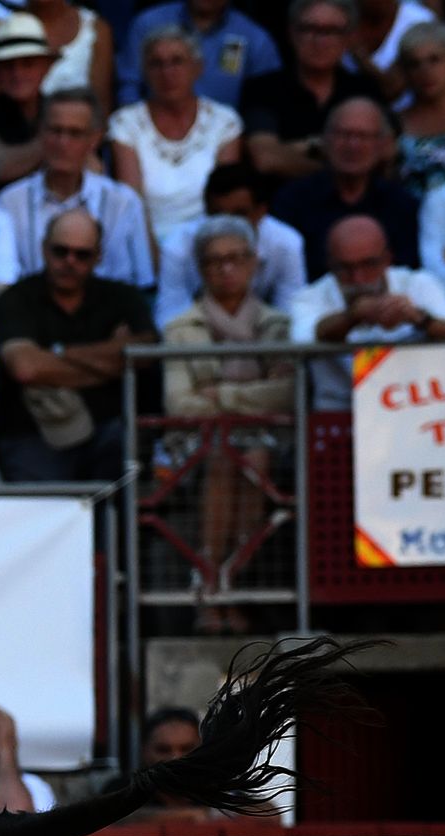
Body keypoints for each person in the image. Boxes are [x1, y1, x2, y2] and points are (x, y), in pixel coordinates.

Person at [160, 215, 293, 615]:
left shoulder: (280, 326)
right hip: (196, 444)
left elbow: (287, 394)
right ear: (200, 270)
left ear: (254, 264)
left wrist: (222, 396)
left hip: (271, 442)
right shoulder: (179, 329)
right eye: (215, 261)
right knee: (223, 456)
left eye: (236, 258)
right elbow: (178, 403)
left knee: (251, 456)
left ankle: (220, 583)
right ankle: (221, 586)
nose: (226, 268)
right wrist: (253, 398)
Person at [0, 208, 157, 481]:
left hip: (108, 430)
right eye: (60, 251)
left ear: (98, 256)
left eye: (82, 255)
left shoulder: (122, 296)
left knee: (127, 458)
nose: (69, 261)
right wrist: (112, 361)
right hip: (34, 433)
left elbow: (145, 353)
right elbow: (25, 369)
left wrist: (56, 354)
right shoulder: (16, 298)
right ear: (44, 249)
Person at [285, 213, 445, 404]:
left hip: (416, 408)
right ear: (330, 265)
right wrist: (352, 317)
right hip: (342, 411)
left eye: (369, 264)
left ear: (387, 259)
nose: (359, 278)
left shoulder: (418, 283)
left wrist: (420, 319)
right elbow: (303, 342)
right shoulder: (309, 297)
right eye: (345, 268)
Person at [0, 92, 155, 288]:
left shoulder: (123, 203)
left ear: (94, 139)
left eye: (75, 133)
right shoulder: (10, 203)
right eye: (55, 131)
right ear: (40, 133)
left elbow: (142, 283)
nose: (63, 143)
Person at [110, 29, 245, 231]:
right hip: (146, 236)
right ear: (145, 72)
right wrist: (154, 258)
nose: (167, 73)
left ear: (197, 68)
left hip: (209, 239)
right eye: (157, 64)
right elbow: (132, 204)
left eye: (177, 62)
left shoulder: (224, 121)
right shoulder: (125, 123)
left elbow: (225, 199)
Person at [271, 97, 421, 278]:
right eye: (343, 134)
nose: (353, 145)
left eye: (363, 136)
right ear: (324, 140)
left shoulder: (401, 204)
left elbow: (407, 272)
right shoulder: (292, 201)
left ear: (381, 145)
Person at [151, 160, 306, 326]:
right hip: (198, 341)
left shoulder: (287, 243)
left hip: (263, 337)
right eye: (218, 214)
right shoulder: (178, 245)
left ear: (261, 211)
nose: (228, 224)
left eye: (239, 214)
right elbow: (170, 316)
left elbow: (291, 314)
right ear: (206, 210)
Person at [240, 0, 379, 182]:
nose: (320, 41)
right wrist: (344, 165)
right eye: (309, 29)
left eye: (331, 31)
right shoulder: (262, 89)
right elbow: (266, 158)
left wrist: (303, 147)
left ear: (348, 38)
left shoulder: (365, 90)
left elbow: (383, 153)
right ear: (291, 33)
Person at [118, 0, 280, 110]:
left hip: (226, 139)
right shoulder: (148, 23)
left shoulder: (254, 38)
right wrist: (136, 131)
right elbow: (129, 86)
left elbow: (264, 105)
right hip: (151, 133)